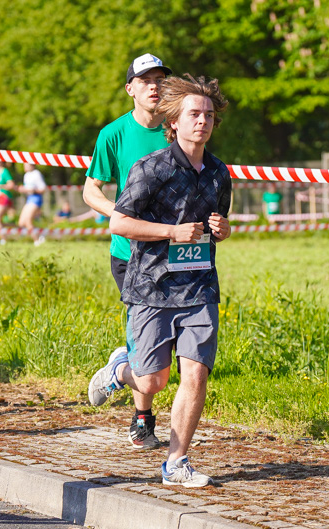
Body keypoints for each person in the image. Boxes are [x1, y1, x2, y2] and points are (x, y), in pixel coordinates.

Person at [90, 74, 231, 487]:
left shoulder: (220, 173)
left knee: (196, 373)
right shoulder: (150, 169)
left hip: (200, 286)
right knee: (153, 379)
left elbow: (217, 224)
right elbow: (119, 221)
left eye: (207, 115)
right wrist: (171, 232)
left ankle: (176, 462)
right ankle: (121, 371)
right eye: (193, 114)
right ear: (175, 120)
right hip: (152, 286)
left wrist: (222, 230)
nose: (201, 121)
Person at [82, 53, 173, 450]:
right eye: (146, 79)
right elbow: (91, 190)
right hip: (131, 252)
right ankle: (142, 419)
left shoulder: (178, 129)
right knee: (146, 341)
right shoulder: (113, 134)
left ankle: (121, 371)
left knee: (167, 343)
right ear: (130, 89)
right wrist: (120, 213)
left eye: (160, 79)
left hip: (176, 248)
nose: (154, 86)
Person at [18, 163, 47, 245]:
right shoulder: (26, 175)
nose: (24, 166)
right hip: (29, 199)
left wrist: (31, 190)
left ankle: (37, 240)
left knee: (27, 220)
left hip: (36, 198)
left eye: (26, 164)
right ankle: (40, 235)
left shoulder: (36, 174)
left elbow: (43, 189)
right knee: (21, 222)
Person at [0, 160, 16, 241]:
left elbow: (11, 185)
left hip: (4, 197)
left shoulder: (4, 171)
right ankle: (20, 229)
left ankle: (3, 239)